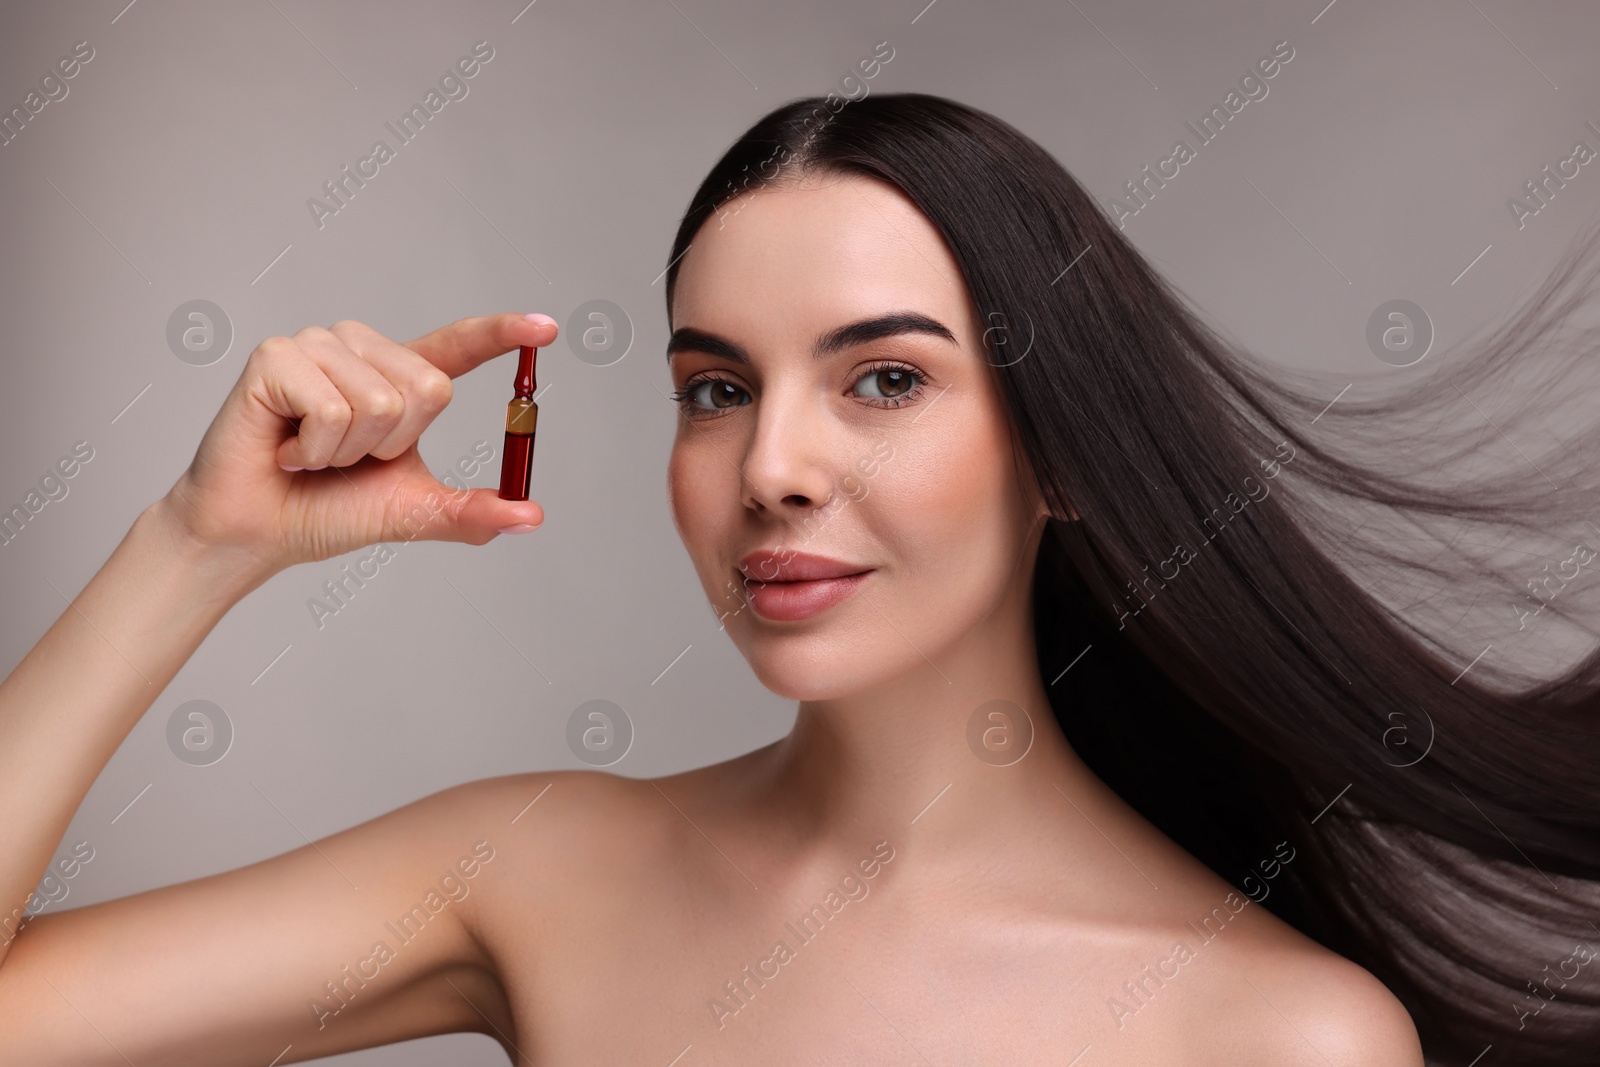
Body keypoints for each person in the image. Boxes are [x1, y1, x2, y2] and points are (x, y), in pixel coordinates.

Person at [2, 91, 1596, 1065]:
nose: (772, 466)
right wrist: (194, 546)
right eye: (715, 387)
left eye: (884, 381)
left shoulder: (1274, 1038)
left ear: (1062, 451)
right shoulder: (537, 870)